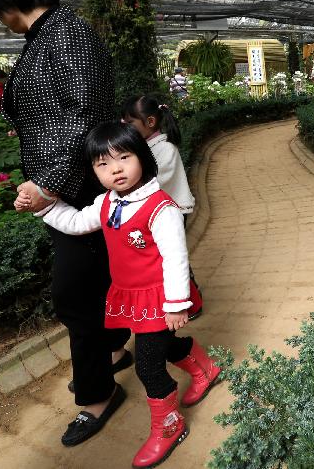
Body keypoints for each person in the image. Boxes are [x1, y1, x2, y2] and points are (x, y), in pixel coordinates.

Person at [0, 0, 130, 447]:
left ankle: (97, 397)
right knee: (98, 283)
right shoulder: (45, 36)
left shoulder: (67, 32)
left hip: (78, 191)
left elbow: (86, 115)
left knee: (74, 296)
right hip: (62, 189)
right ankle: (112, 351)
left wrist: (50, 185)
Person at [27, 122, 220, 469]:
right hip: (131, 297)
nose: (115, 169)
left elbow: (176, 258)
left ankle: (169, 424)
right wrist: (43, 207)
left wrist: (177, 304)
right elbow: (74, 223)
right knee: (156, 346)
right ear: (93, 171)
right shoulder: (105, 203)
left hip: (161, 298)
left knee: (148, 364)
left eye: (124, 157)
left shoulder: (161, 208)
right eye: (102, 164)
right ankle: (203, 365)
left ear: (142, 157)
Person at [121, 94, 202, 320]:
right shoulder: (146, 146)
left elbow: (151, 180)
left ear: (150, 122)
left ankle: (191, 303)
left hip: (172, 212)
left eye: (129, 123)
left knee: (173, 258)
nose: (125, 127)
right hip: (158, 213)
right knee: (169, 258)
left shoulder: (165, 149)